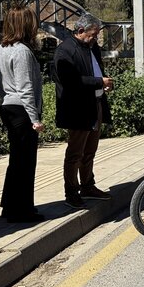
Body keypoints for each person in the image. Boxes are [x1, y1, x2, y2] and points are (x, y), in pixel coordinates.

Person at [52, 13, 114, 209]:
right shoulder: (65, 51)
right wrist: (98, 82)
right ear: (80, 31)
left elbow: (95, 70)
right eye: (93, 35)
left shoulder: (92, 47)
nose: (95, 39)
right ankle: (71, 192)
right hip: (78, 109)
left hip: (95, 104)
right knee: (75, 153)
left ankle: (88, 186)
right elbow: (70, 81)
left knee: (90, 151)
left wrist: (103, 83)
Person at [0, 5, 45, 223]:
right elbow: (25, 87)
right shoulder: (22, 51)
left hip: (8, 106)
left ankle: (10, 206)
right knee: (25, 162)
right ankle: (23, 210)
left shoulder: (1, 48)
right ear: (25, 25)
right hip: (22, 110)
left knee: (16, 160)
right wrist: (35, 119)